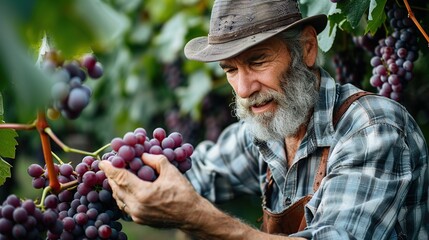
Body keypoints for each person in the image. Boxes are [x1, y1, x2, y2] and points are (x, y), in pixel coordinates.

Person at [99, 0, 429, 239]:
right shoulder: (269, 128)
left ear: (308, 48)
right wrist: (108, 179)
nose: (243, 89)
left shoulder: (373, 128)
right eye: (230, 69)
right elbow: (192, 174)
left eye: (258, 61)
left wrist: (198, 218)